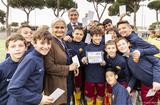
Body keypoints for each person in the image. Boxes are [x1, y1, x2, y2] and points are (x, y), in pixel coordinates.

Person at [7, 31, 54, 105]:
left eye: (48, 43)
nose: (46, 46)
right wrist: (39, 98)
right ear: (34, 43)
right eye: (42, 43)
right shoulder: (31, 59)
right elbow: (13, 88)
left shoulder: (41, 57)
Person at [43, 18, 79, 105]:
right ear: (52, 29)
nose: (60, 30)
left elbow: (65, 59)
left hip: (67, 81)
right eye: (57, 27)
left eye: (62, 27)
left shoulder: (62, 41)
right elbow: (49, 67)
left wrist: (73, 67)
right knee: (57, 103)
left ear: (66, 29)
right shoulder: (50, 43)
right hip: (56, 85)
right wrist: (68, 68)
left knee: (66, 102)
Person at [116, 37, 160, 105]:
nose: (121, 46)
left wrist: (157, 80)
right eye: (119, 45)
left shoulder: (138, 52)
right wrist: (129, 87)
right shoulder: (124, 60)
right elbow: (134, 75)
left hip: (157, 81)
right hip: (146, 86)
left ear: (128, 44)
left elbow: (157, 62)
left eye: (123, 44)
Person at [0, 34, 27, 105]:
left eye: (20, 45)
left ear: (26, 48)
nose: (17, 49)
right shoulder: (2, 68)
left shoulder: (29, 65)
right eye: (13, 46)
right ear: (7, 50)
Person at [81, 27, 106, 105]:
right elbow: (82, 64)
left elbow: (108, 62)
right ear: (91, 37)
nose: (98, 38)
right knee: (89, 96)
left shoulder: (104, 47)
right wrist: (83, 61)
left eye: (99, 36)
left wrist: (104, 63)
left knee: (100, 95)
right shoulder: (86, 48)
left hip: (101, 77)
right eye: (95, 35)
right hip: (89, 77)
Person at [66, 26, 87, 105]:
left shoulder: (85, 45)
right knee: (69, 88)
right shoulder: (66, 43)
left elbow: (84, 57)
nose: (78, 36)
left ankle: (78, 101)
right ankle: (71, 100)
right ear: (72, 34)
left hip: (80, 70)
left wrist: (83, 60)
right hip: (69, 69)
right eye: (77, 34)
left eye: (81, 34)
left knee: (78, 87)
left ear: (83, 35)